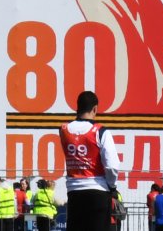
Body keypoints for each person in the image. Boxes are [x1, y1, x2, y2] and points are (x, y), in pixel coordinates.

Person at [59, 90, 121, 231]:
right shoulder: (100, 131)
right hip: (98, 191)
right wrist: (112, 187)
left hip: (74, 192)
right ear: (95, 109)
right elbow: (112, 166)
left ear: (77, 107)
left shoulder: (63, 130)